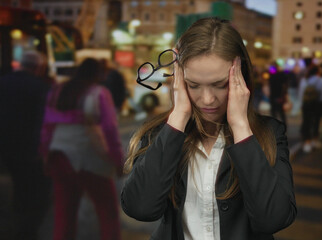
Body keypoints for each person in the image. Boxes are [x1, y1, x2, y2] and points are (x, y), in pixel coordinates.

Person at [121, 17, 297, 239]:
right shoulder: (161, 133)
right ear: (180, 80)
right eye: (193, 85)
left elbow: (273, 219)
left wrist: (241, 127)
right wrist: (178, 117)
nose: (207, 99)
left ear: (241, 76)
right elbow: (140, 209)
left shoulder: (269, 133)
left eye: (220, 84)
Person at [40, 58, 124, 240]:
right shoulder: (99, 94)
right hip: (90, 156)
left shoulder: (58, 91)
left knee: (64, 214)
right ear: (97, 73)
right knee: (107, 211)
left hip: (59, 155)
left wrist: (45, 154)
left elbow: (47, 126)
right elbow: (110, 130)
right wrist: (118, 160)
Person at [0, 51, 51, 240]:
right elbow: (43, 121)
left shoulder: (3, 81)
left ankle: (15, 217)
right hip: (29, 147)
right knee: (34, 189)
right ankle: (26, 230)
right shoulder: (41, 87)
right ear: (38, 68)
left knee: (17, 183)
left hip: (4, 145)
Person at [298, 65, 322, 153]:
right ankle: (315, 140)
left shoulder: (304, 80)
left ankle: (307, 142)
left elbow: (301, 93)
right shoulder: (320, 80)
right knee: (316, 122)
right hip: (316, 104)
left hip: (306, 104)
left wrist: (301, 104)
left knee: (306, 122)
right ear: (317, 72)